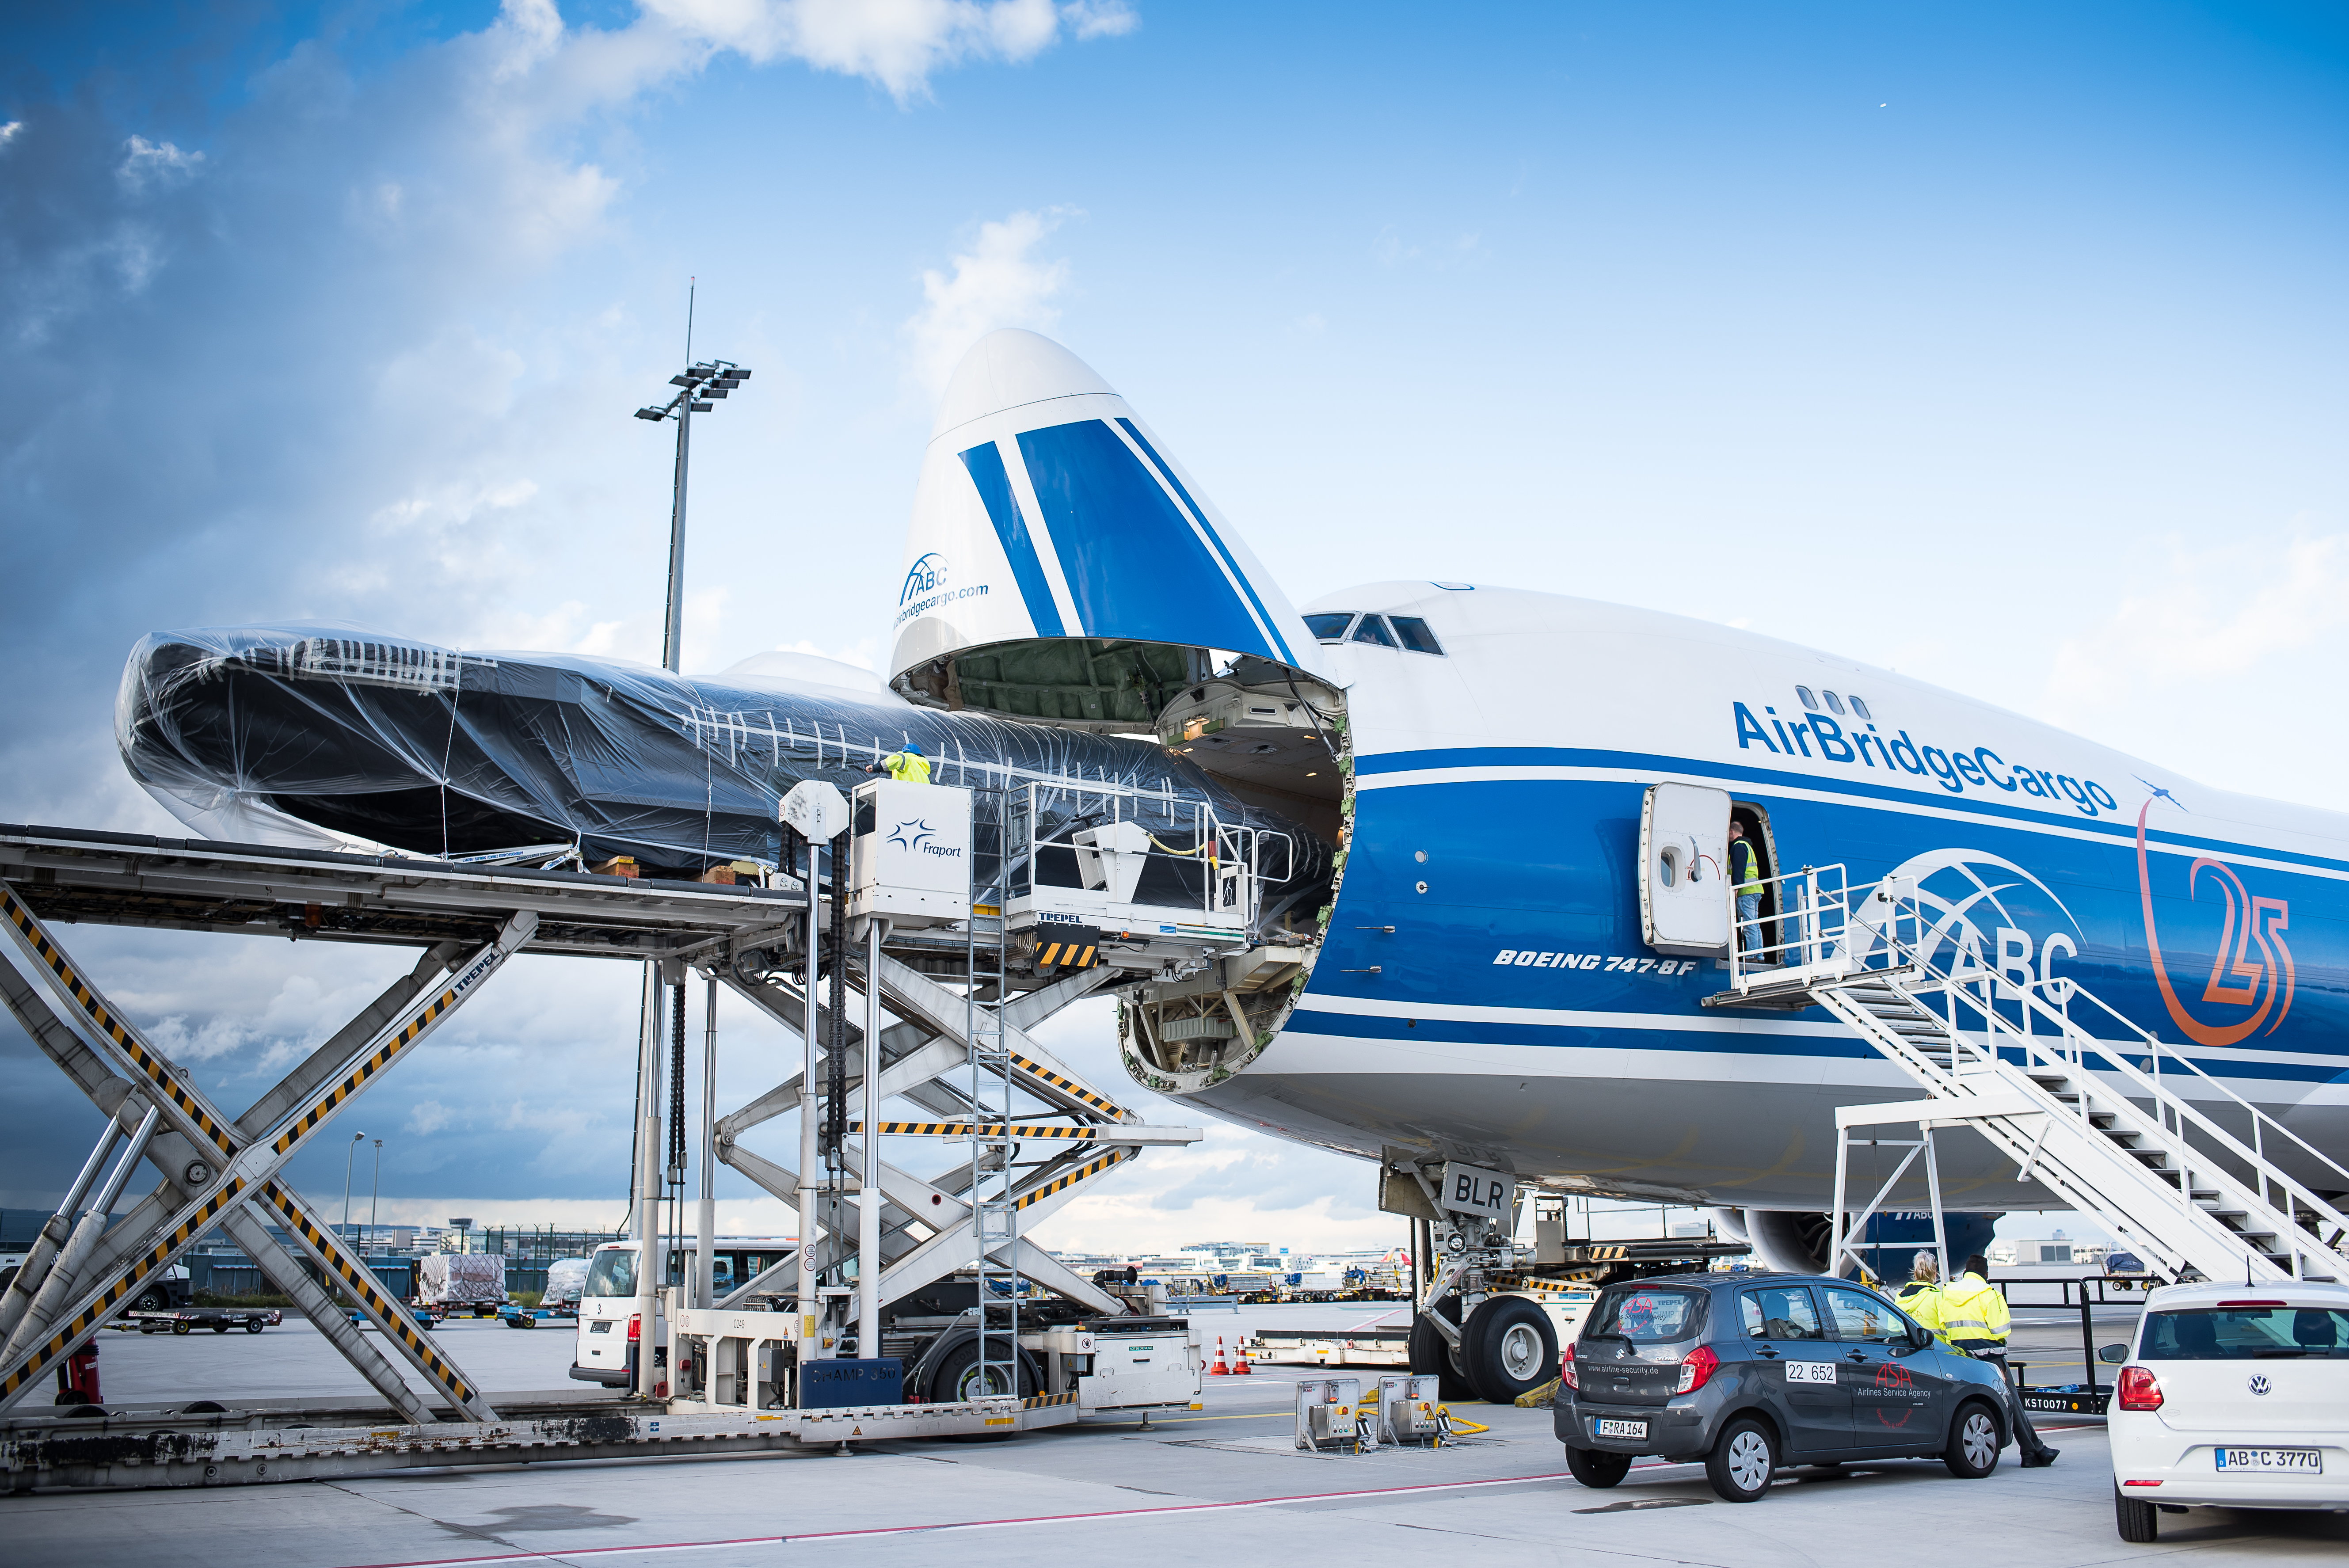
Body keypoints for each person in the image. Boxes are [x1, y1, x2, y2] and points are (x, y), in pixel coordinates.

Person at [1940, 1252, 2059, 1467]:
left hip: (1960, 1357)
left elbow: (1943, 1325)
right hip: (1991, 1358)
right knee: (2012, 1403)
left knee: (2003, 1404)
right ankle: (2032, 1452)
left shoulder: (1947, 1293)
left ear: (1965, 1272)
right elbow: (2002, 1330)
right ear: (1986, 1274)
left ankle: (2035, 1449)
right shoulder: (1989, 1293)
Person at [1728, 820, 1767, 961]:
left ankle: (1752, 955)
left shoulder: (1738, 847)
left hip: (1746, 892)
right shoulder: (1747, 846)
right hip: (1755, 890)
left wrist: (1736, 888)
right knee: (1754, 923)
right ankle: (1759, 954)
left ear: (1732, 831)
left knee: (1749, 924)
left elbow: (1739, 869)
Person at [1893, 1250, 1943, 1328]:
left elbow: (1893, 1330)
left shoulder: (1899, 1299)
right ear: (1935, 1274)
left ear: (1915, 1274)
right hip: (1935, 1341)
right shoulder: (1939, 1298)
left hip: (1906, 1341)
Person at [864, 741, 931, 783]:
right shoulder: (923, 773)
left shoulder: (907, 760)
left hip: (907, 797)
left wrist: (875, 767)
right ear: (919, 755)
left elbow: (899, 758)